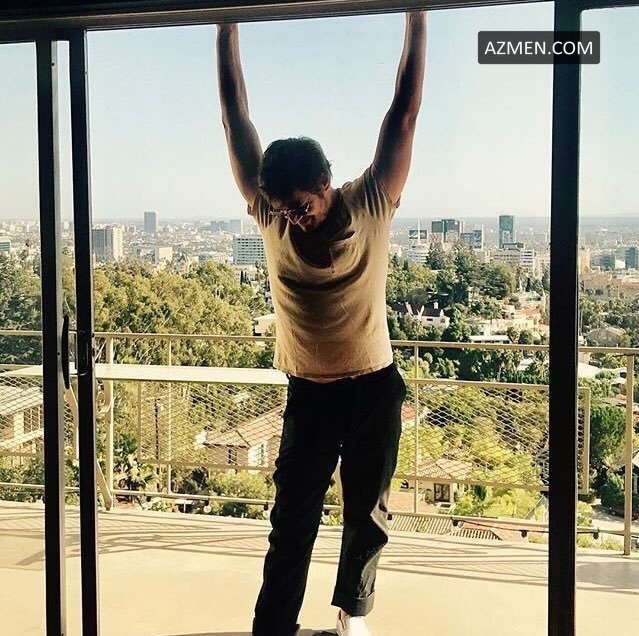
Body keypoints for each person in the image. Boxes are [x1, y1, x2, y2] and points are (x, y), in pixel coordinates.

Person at [216, 12, 426, 636]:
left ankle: (352, 615)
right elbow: (235, 118)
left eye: (301, 206)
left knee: (367, 515)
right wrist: (225, 26)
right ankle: (273, 625)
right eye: (282, 209)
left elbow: (404, 113)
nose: (292, 218)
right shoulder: (269, 212)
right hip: (309, 392)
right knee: (292, 519)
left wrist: (417, 17)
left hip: (372, 386)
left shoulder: (372, 200)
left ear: (327, 184)